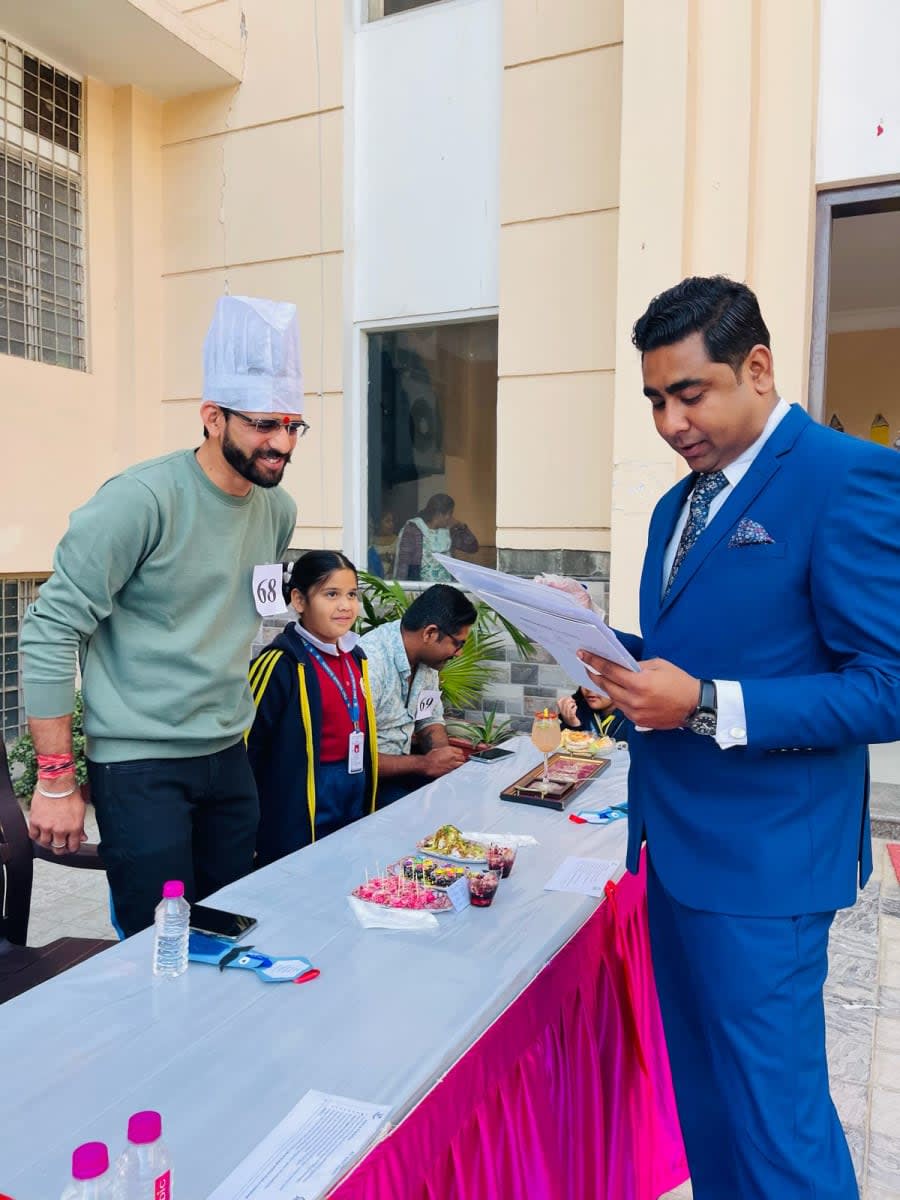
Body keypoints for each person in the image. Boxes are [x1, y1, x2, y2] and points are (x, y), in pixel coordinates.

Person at [574, 276, 900, 1199]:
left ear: (757, 367)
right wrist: (596, 640)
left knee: (777, 1126)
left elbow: (886, 685)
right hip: (673, 851)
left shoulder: (844, 478)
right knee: (709, 1107)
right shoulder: (677, 507)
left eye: (690, 394)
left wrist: (708, 704)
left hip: (768, 864)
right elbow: (691, 660)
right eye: (655, 400)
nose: (671, 422)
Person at [20, 295, 304, 937]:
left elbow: (242, 606)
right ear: (213, 418)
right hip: (139, 763)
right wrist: (57, 779)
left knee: (229, 929)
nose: (282, 443)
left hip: (228, 752)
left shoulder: (277, 509)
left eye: (293, 426)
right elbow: (50, 628)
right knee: (158, 942)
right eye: (264, 424)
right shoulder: (140, 500)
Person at [246, 551, 378, 867]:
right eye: (331, 594)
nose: (345, 605)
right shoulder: (280, 664)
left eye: (352, 594)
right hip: (302, 795)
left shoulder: (355, 657)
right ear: (299, 600)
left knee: (346, 870)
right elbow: (249, 749)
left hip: (352, 784)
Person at [360, 583, 476, 805]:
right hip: (366, 784)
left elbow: (428, 720)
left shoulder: (428, 663)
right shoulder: (370, 663)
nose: (459, 653)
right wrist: (424, 764)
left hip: (403, 772)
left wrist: (445, 762)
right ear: (430, 633)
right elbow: (353, 758)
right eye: (458, 644)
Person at [394, 493, 479, 581]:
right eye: (450, 513)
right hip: (421, 586)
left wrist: (462, 526)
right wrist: (403, 587)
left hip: (447, 586)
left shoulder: (449, 531)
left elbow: (472, 547)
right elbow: (403, 564)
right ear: (439, 514)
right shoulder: (413, 529)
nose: (450, 517)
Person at [557, 686, 628, 742]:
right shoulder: (575, 712)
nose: (588, 688)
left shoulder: (632, 719)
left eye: (598, 682)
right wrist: (573, 726)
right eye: (584, 682)